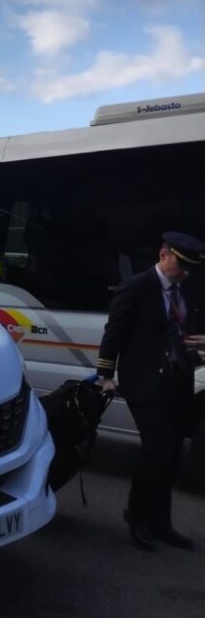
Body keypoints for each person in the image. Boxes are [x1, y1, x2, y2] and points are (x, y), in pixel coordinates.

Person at [97, 231, 204, 552]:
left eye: (189, 268)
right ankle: (137, 517)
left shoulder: (187, 289)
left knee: (171, 455)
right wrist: (105, 375)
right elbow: (113, 334)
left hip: (177, 380)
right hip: (144, 382)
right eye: (181, 265)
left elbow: (185, 328)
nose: (185, 273)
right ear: (163, 256)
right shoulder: (137, 287)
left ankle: (162, 522)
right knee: (156, 450)